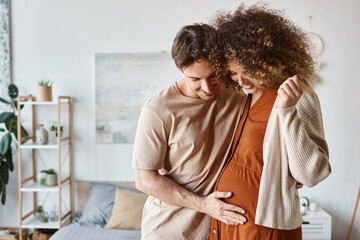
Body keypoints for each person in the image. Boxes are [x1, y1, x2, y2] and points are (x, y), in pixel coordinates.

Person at [209, 5, 331, 239]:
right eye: (233, 73)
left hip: (264, 225)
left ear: (268, 60)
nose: (241, 80)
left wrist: (287, 111)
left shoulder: (298, 93)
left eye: (248, 70)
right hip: (230, 222)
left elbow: (312, 173)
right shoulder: (247, 96)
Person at [132, 23, 248, 239]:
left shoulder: (238, 98)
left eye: (214, 75)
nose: (207, 87)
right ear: (181, 69)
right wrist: (204, 205)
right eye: (195, 79)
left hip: (216, 230)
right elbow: (144, 179)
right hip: (167, 230)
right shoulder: (158, 109)